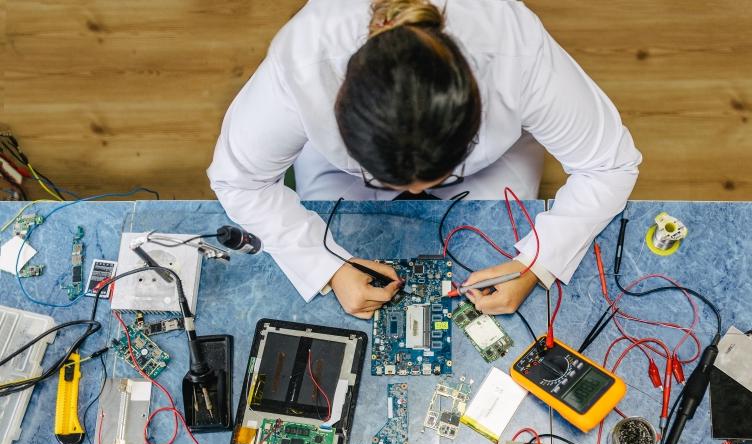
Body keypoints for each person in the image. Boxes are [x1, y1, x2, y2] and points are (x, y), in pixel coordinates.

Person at [208, 0, 641, 319]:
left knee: (501, 238)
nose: (415, 192)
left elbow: (609, 164)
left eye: (436, 172)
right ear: (340, 114)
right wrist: (325, 265)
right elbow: (238, 179)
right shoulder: (304, 59)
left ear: (476, 113)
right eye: (390, 178)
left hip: (492, 167)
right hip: (341, 178)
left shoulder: (514, 49)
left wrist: (538, 260)